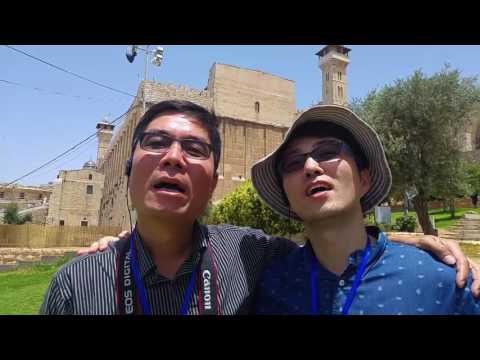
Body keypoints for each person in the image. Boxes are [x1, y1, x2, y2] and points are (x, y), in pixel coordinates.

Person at [47, 100, 478, 315]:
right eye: (156, 143)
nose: (173, 158)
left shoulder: (249, 257)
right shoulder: (78, 284)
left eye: (194, 148)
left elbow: (343, 247)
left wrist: (417, 245)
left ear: (213, 182)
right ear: (126, 167)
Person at [251, 105, 480, 314]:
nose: (310, 166)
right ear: (287, 199)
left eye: (328, 151)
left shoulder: (444, 282)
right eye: (293, 163)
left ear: (364, 179)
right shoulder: (271, 285)